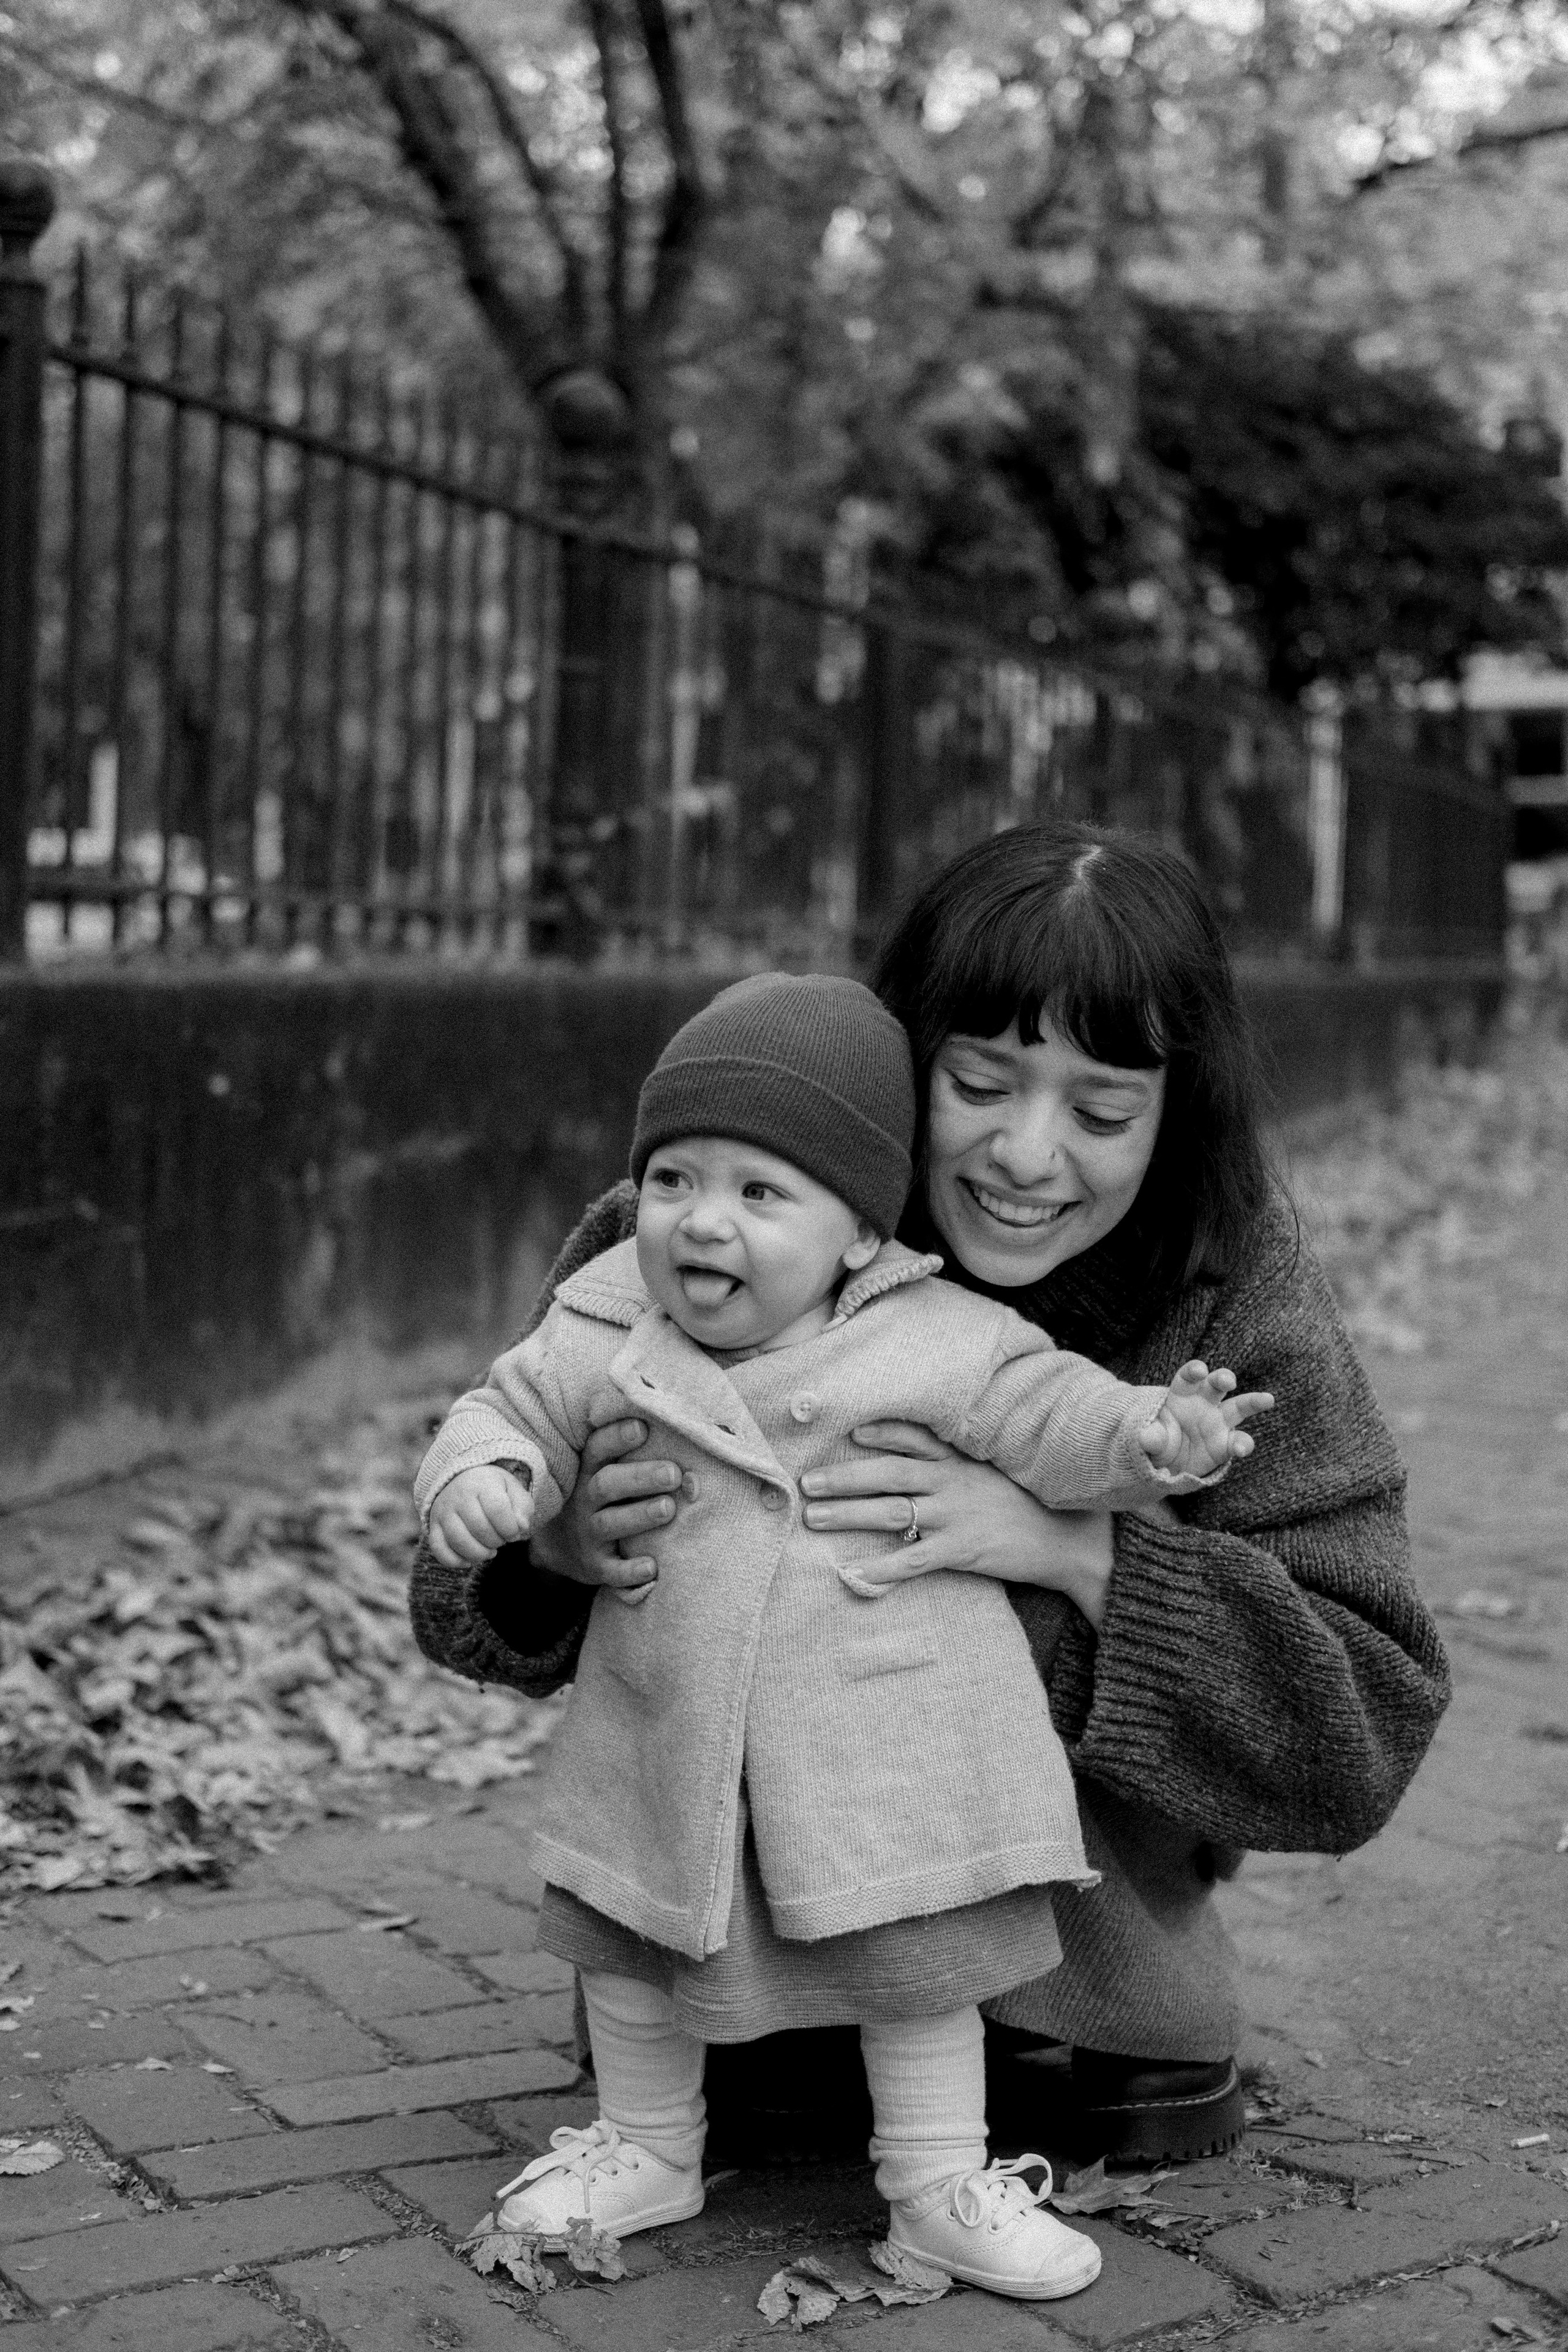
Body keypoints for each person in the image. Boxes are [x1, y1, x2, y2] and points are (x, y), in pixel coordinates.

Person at [410, 820, 1450, 2171]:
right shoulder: (706, 1220)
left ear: (1173, 1114)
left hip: (1086, 1963)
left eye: (1099, 1113)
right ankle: (758, 2008)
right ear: (900, 1061)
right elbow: (454, 1589)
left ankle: (1067, 2008)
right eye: (978, 1084)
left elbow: (1361, 1728)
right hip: (716, 1942)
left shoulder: (1233, 1290)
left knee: (971, 1589)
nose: (1026, 1154)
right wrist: (548, 1550)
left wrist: (1082, 1556)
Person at [414, 973, 1270, 2299]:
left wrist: (1154, 1435)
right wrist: (492, 1484)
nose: (703, 1220)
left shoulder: (934, 1336)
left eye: (761, 1193)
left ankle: (937, 2186)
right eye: (672, 1180)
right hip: (666, 1719)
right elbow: (503, 1407)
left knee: (917, 1957)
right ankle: (646, 2145)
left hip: (891, 1737)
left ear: (862, 1234)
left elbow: (1053, 1414)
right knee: (632, 1936)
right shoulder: (604, 1318)